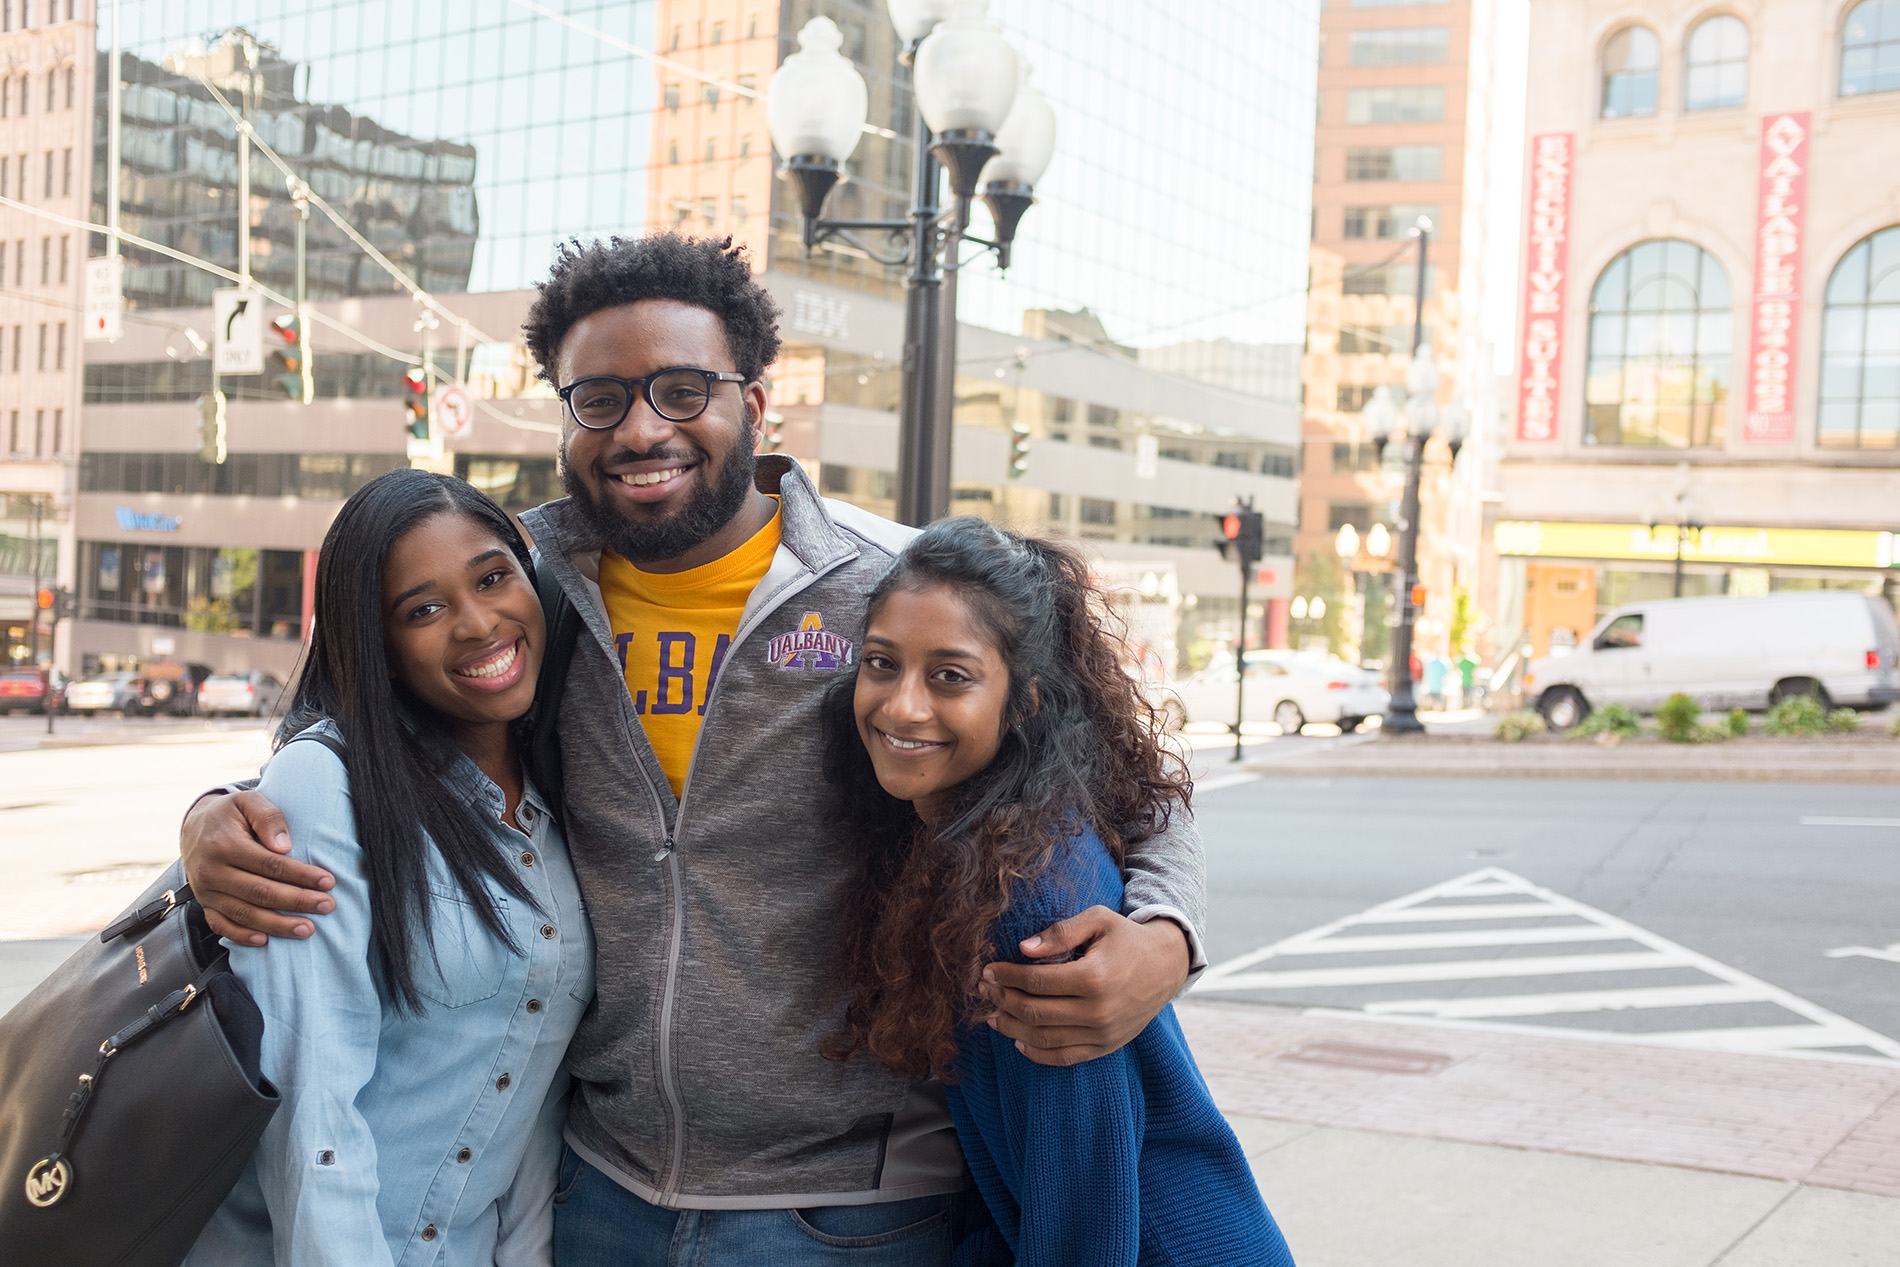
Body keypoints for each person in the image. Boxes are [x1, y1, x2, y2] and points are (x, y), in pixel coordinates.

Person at [178, 234, 1208, 1265]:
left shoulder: (889, 587)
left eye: (681, 390)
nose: (640, 429)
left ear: (753, 404)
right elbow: (374, 716)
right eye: (600, 398)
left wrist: (1166, 935)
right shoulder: (530, 596)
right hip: (596, 1196)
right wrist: (225, 807)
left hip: (850, 1213)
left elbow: (1117, 773)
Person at [822, 518, 1294, 1267]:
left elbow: (1086, 1213)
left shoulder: (1033, 907)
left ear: (1026, 701)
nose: (902, 705)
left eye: (950, 675)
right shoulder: (970, 844)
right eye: (882, 663)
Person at [184, 469, 593, 1266]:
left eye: (493, 577)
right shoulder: (323, 788)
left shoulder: (561, 791)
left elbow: (533, 1110)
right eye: (424, 609)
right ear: (379, 645)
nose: (479, 622)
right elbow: (311, 1116)